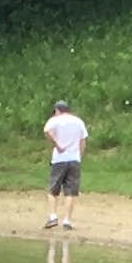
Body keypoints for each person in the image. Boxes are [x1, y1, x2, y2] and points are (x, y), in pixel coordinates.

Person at [41, 98, 89, 228]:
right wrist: (79, 156)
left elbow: (46, 131)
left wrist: (56, 144)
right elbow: (83, 140)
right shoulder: (78, 121)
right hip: (74, 159)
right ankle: (67, 220)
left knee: (53, 189)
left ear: (57, 110)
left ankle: (53, 216)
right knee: (71, 191)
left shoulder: (55, 120)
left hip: (59, 159)